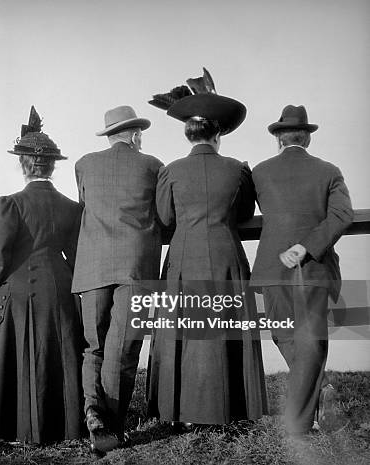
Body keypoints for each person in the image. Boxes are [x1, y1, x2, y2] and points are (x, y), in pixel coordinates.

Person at [146, 68, 268, 427]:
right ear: (218, 134)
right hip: (226, 252)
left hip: (184, 255)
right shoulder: (237, 169)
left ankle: (180, 410)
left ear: (189, 133)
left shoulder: (170, 171)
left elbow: (165, 217)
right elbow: (245, 213)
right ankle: (231, 407)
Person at [0, 106, 84, 444]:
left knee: (16, 355)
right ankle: (63, 426)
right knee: (58, 355)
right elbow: (77, 254)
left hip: (18, 290)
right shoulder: (71, 206)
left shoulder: (9, 204)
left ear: (23, 165)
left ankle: (10, 427)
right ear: (52, 167)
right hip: (60, 286)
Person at [251, 105, 353, 437]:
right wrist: (307, 247)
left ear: (278, 139)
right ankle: (320, 391)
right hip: (315, 268)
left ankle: (311, 405)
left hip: (272, 267)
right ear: (307, 138)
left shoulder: (260, 172)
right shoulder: (329, 170)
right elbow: (342, 216)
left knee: (283, 333)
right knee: (312, 338)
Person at [73, 105, 163, 453]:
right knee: (123, 348)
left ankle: (94, 413)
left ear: (109, 134)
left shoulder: (84, 164)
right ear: (136, 135)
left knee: (93, 346)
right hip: (135, 268)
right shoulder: (153, 166)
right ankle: (111, 425)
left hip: (92, 266)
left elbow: (85, 202)